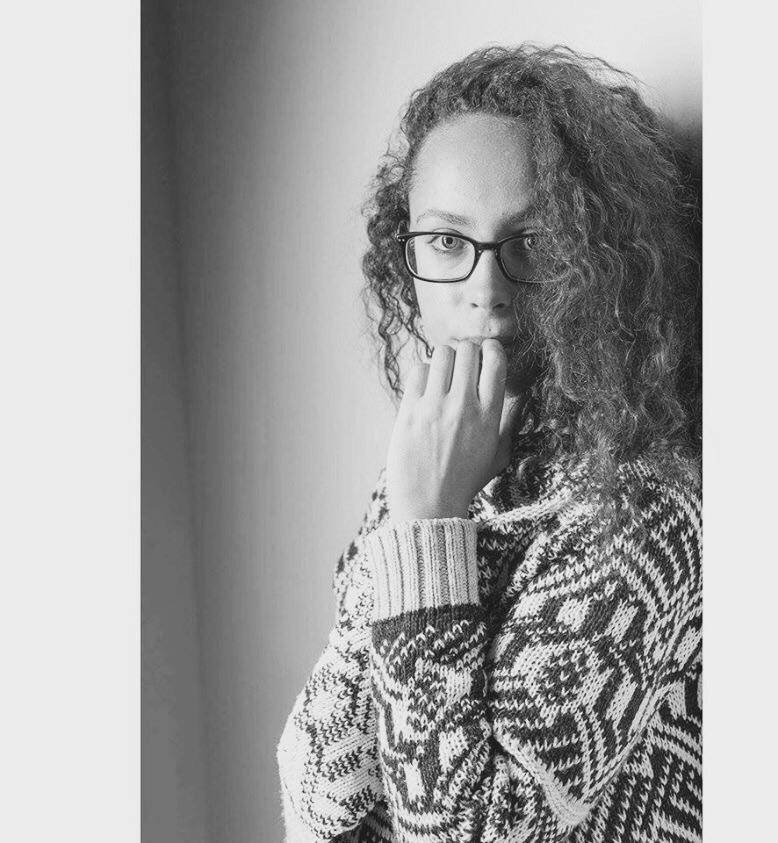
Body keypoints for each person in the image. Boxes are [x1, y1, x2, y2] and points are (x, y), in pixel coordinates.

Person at [277, 43, 701, 843]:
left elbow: (461, 830)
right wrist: (418, 511)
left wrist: (424, 525)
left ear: (601, 255)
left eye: (532, 241)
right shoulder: (440, 457)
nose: (485, 291)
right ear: (405, 259)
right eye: (446, 241)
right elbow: (319, 785)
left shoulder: (647, 509)